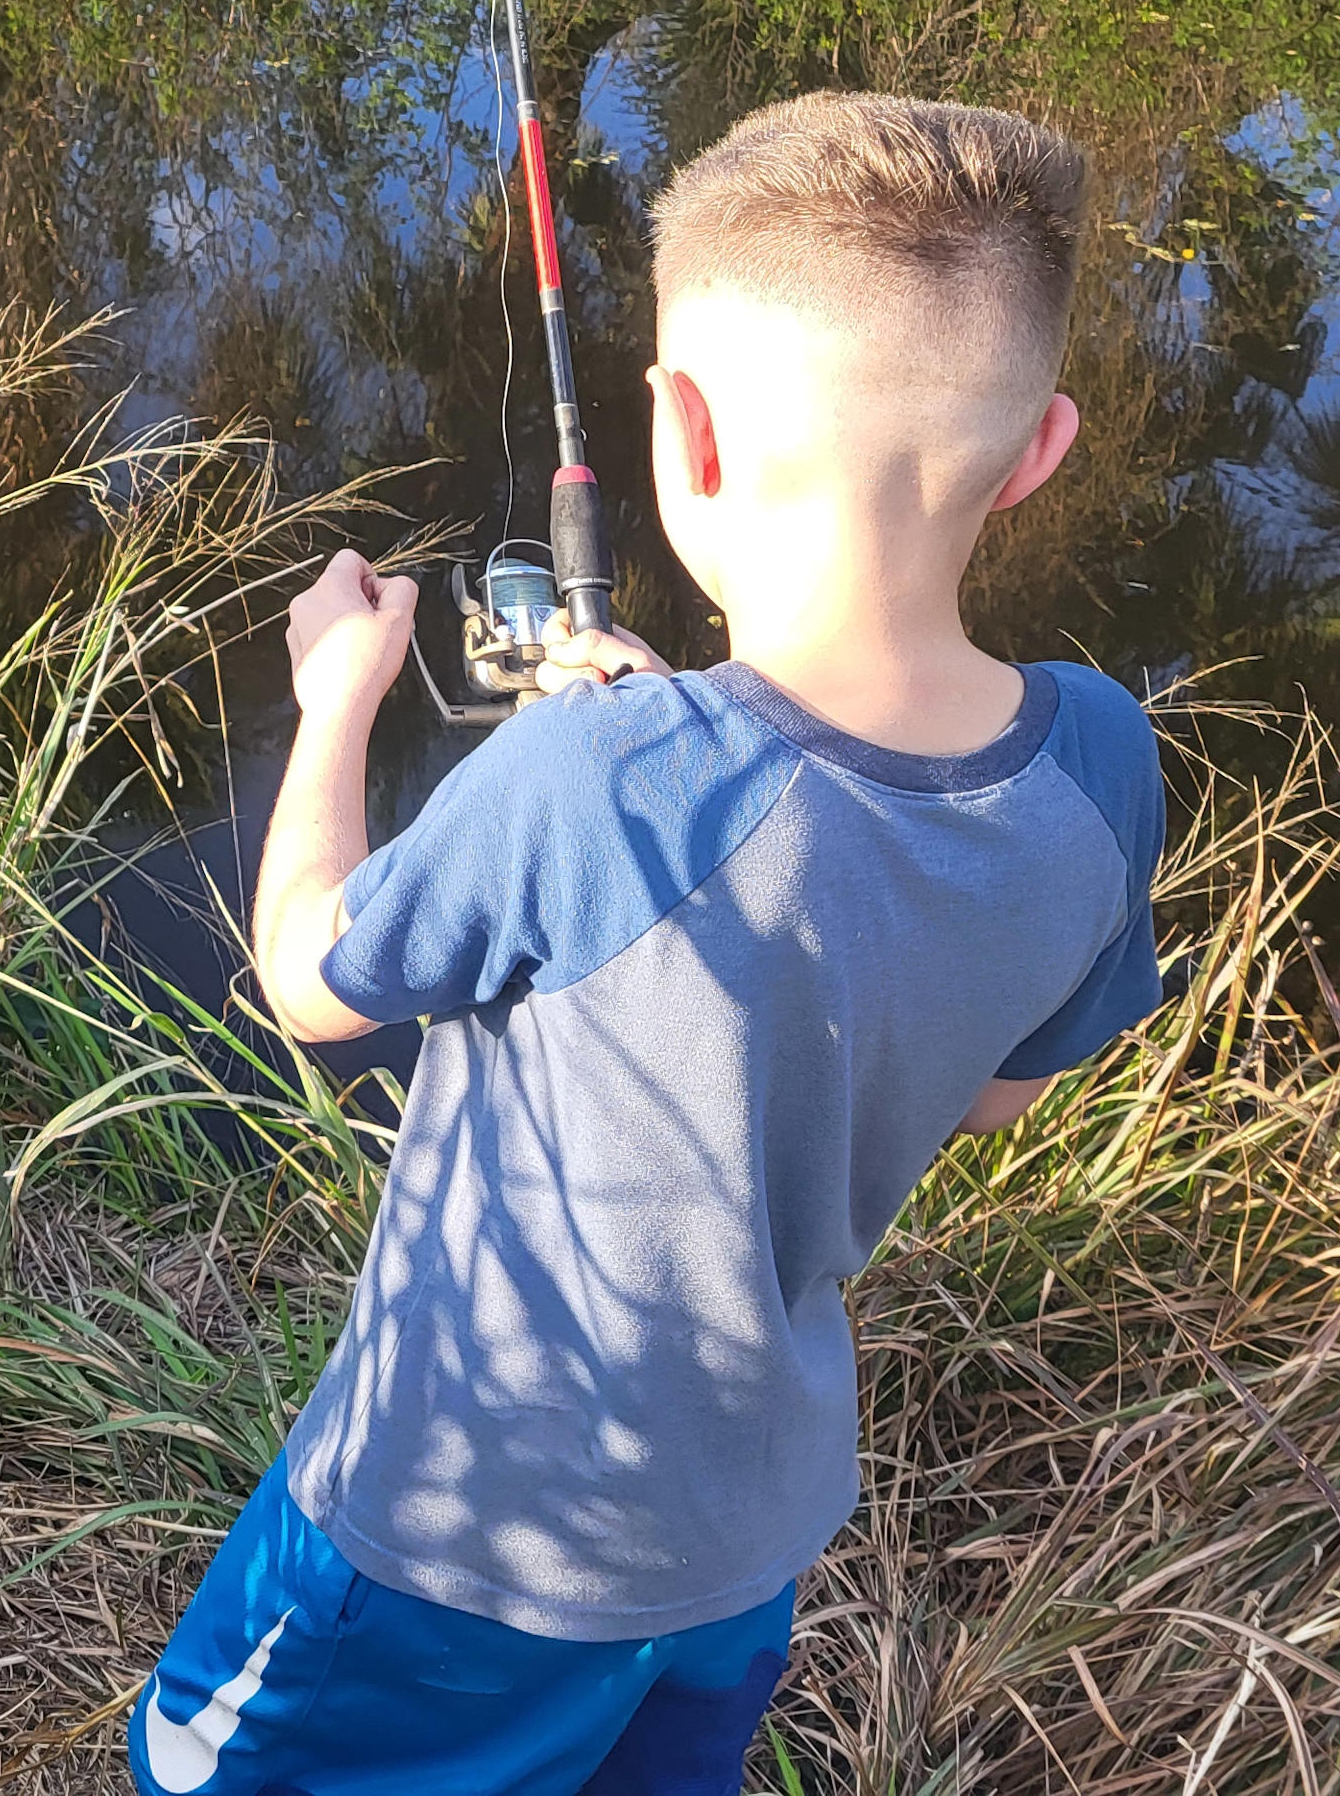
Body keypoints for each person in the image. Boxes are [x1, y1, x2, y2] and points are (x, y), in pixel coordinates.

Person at [134, 93, 1167, 1796]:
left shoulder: (605, 777)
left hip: (454, 1553)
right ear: (1042, 449)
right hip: (740, 1551)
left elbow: (311, 979)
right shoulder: (1099, 766)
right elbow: (988, 1083)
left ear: (680, 432)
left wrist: (338, 702)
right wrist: (668, 743)